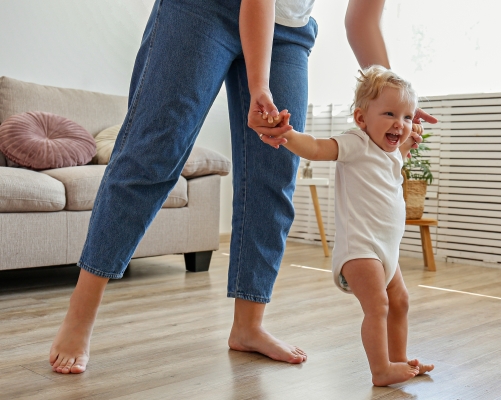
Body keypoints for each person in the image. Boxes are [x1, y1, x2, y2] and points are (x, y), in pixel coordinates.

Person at [49, 0, 436, 375]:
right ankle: (81, 314)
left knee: (275, 168)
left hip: (289, 29)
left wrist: (393, 99)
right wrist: (258, 84)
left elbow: (362, 19)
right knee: (152, 153)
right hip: (202, 9)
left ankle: (248, 326)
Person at [268, 65, 435, 386]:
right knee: (379, 306)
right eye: (389, 113)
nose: (400, 124)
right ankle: (381, 370)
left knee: (400, 302)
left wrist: (406, 144)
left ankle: (399, 362)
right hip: (360, 250)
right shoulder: (355, 142)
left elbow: (393, 156)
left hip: (386, 251)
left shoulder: (392, 153)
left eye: (407, 117)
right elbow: (316, 148)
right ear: (361, 119)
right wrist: (286, 135)